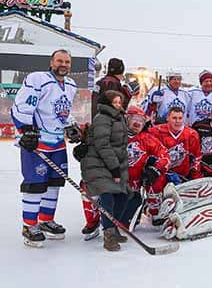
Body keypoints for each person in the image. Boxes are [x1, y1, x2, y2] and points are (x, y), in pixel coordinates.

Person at [12, 49, 79, 247]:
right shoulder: (38, 79)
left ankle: (46, 220)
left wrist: (71, 126)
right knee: (35, 184)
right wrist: (26, 130)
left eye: (67, 61)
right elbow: (22, 105)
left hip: (57, 142)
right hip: (37, 141)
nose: (64, 64)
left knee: (54, 182)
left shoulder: (71, 85)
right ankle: (29, 225)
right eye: (60, 60)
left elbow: (63, 111)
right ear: (51, 62)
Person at [79, 106, 171, 240]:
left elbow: (165, 156)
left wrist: (156, 169)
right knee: (87, 185)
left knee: (123, 228)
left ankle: (150, 210)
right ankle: (92, 224)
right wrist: (83, 150)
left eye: (142, 120)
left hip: (130, 189)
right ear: (126, 118)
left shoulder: (147, 139)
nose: (138, 123)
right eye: (135, 118)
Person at [80, 90, 131, 251]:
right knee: (108, 196)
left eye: (119, 102)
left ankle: (113, 227)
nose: (118, 105)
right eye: (115, 102)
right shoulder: (102, 118)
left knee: (124, 195)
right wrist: (115, 168)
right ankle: (108, 234)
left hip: (114, 163)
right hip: (98, 163)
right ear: (107, 103)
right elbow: (103, 145)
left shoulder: (119, 117)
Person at [148, 107, 202, 224]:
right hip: (161, 172)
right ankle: (156, 214)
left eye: (180, 118)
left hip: (182, 174)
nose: (177, 121)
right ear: (167, 118)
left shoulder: (191, 134)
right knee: (155, 183)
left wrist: (195, 176)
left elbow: (196, 157)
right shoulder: (155, 132)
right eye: (174, 118)